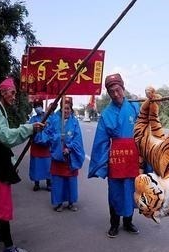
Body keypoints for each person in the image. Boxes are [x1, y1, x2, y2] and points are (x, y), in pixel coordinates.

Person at [0, 77, 45, 252]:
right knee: (1, 203)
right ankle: (9, 246)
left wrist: (11, 162)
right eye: (12, 92)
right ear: (3, 92)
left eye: (15, 93)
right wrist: (30, 128)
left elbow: (0, 141)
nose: (14, 96)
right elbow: (5, 137)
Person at [88, 73, 142, 238]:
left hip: (133, 158)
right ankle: (114, 224)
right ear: (109, 93)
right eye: (112, 92)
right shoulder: (106, 114)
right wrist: (103, 164)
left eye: (118, 90)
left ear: (123, 88)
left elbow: (145, 133)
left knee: (132, 190)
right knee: (115, 192)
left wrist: (145, 157)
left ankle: (128, 222)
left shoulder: (135, 107)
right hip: (117, 159)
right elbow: (101, 141)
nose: (116, 94)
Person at [41, 96, 85, 212]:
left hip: (70, 157)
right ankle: (59, 203)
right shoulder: (54, 119)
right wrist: (58, 140)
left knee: (71, 181)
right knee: (58, 181)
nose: (66, 111)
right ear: (60, 108)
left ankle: (71, 202)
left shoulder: (74, 122)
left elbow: (78, 139)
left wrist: (69, 148)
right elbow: (47, 135)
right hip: (57, 155)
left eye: (68, 108)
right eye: (64, 108)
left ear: (71, 109)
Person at [28, 100, 52, 191]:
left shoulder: (48, 117)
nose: (38, 108)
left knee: (47, 165)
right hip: (36, 147)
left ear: (42, 106)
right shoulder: (33, 119)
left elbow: (52, 130)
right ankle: (36, 183)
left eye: (39, 105)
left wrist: (46, 127)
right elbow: (29, 130)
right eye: (36, 106)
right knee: (36, 165)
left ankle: (49, 183)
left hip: (46, 148)